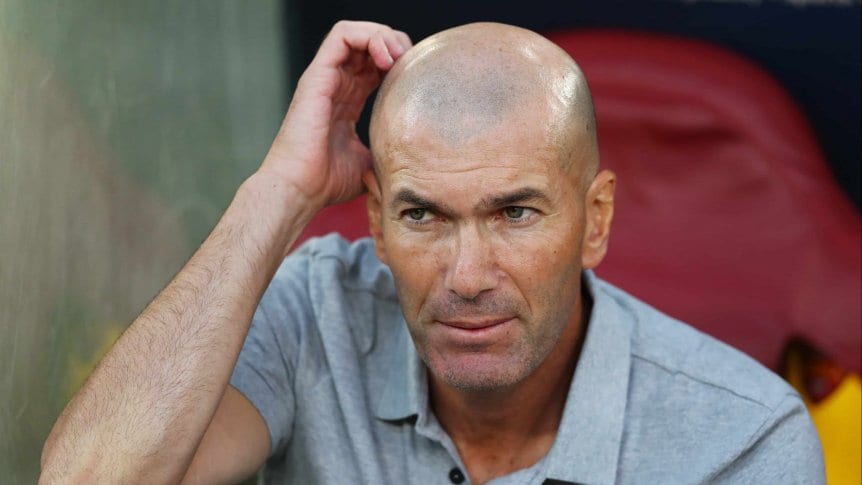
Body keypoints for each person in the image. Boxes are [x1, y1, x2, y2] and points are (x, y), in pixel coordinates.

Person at [39, 21, 824, 484]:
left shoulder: (740, 441)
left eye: (515, 213)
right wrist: (276, 191)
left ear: (595, 221)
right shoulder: (315, 315)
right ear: (377, 223)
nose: (467, 276)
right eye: (423, 215)